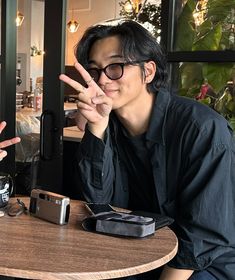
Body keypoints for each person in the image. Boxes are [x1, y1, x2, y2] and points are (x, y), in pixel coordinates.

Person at [60, 20, 235, 280]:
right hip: (139, 253)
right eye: (95, 71)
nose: (102, 79)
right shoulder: (108, 125)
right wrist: (96, 128)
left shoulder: (201, 128)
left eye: (115, 67)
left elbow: (204, 234)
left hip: (202, 263)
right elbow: (97, 201)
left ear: (149, 71)